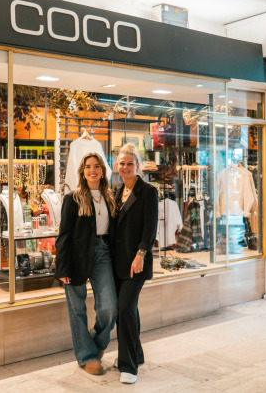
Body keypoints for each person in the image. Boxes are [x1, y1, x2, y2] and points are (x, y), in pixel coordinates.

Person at [55, 152, 118, 375]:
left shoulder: (110, 196)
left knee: (110, 307)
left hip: (103, 254)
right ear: (82, 171)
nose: (92, 170)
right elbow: (63, 235)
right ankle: (86, 355)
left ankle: (96, 343)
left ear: (103, 170)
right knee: (77, 309)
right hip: (76, 256)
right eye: (88, 166)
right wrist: (61, 267)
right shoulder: (72, 198)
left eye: (96, 166)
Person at [111, 143, 158, 384]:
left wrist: (141, 254)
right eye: (122, 163)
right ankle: (137, 354)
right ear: (116, 165)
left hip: (136, 262)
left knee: (125, 309)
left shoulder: (148, 191)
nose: (126, 167)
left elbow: (150, 228)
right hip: (117, 263)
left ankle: (128, 366)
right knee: (128, 310)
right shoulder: (117, 190)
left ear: (137, 166)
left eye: (130, 163)